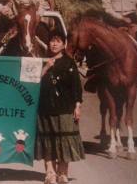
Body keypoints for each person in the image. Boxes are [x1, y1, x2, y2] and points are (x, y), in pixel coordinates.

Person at [35, 31, 85, 184]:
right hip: (45, 108)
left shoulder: (69, 63)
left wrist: (77, 106)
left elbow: (76, 86)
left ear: (64, 44)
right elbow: (32, 82)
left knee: (64, 140)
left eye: (58, 41)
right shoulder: (42, 61)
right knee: (47, 141)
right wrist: (45, 68)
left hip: (65, 109)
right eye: (52, 41)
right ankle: (49, 173)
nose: (54, 44)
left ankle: (63, 173)